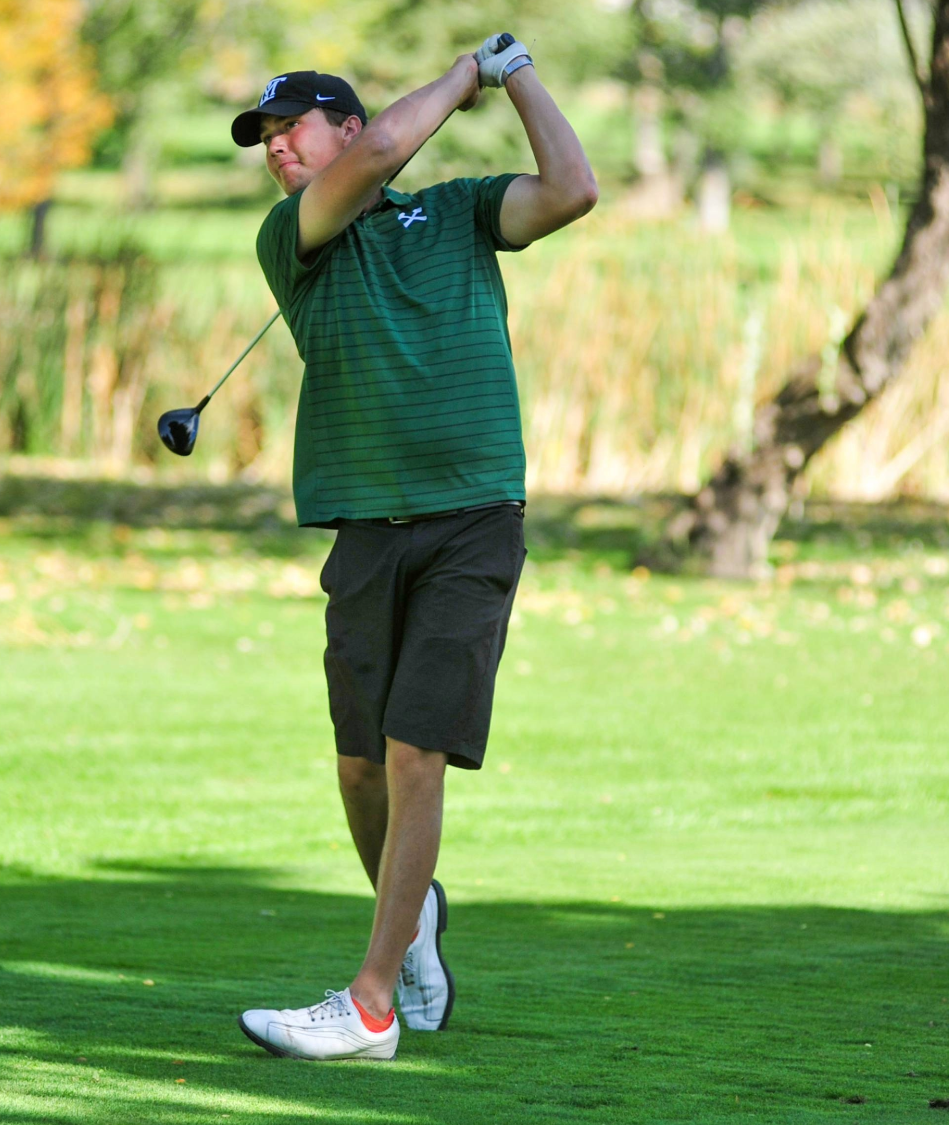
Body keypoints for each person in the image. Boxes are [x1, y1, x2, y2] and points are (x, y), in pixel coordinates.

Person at [229, 35, 597, 1061]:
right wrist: (464, 74)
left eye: (286, 127)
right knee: (359, 773)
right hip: (363, 527)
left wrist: (519, 72)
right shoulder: (291, 233)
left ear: (335, 125)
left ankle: (372, 1001)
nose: (272, 149)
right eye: (261, 137)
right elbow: (390, 144)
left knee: (412, 752)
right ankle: (415, 920)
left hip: (474, 519)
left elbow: (571, 189)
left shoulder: (463, 212)